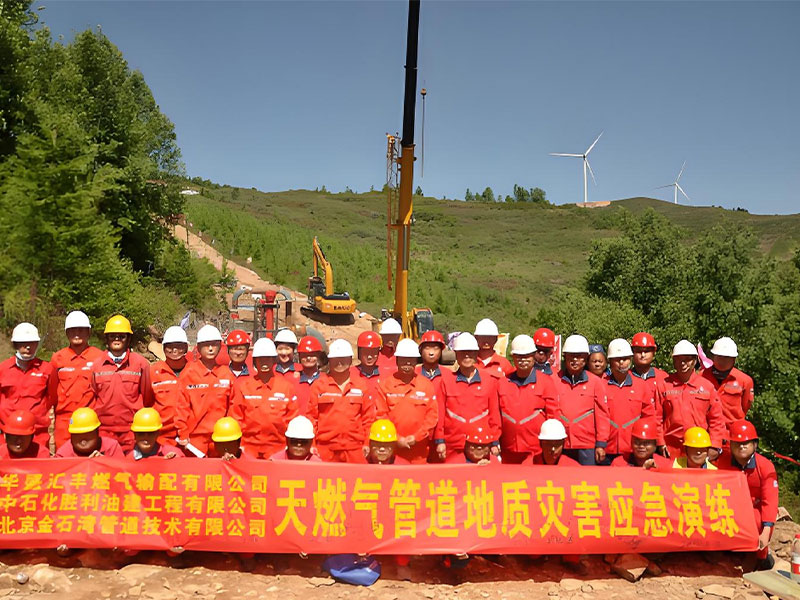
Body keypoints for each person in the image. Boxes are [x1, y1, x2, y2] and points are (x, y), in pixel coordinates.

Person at [718, 420, 778, 570]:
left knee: (756, 520)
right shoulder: (721, 463)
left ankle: (761, 558)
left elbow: (770, 501)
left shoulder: (765, 466)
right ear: (730, 445)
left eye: (746, 442)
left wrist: (766, 531)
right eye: (737, 443)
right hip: (729, 510)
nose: (742, 446)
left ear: (755, 445)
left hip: (754, 512)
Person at [90, 315, 153, 453]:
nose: (117, 339)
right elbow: (93, 395)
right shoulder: (96, 365)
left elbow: (147, 397)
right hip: (104, 431)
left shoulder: (140, 364)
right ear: (106, 338)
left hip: (133, 431)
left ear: (128, 338)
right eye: (112, 336)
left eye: (121, 336)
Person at [229, 337, 300, 459]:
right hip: (248, 449)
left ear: (274, 360)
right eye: (260, 359)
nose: (264, 362)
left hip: (278, 450)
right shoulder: (244, 387)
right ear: (255, 361)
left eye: (268, 358)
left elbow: (292, 420)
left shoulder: (286, 387)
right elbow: (236, 419)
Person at [308, 339, 375, 463]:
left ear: (350, 360)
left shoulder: (361, 386)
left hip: (355, 449)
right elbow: (312, 419)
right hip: (325, 449)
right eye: (335, 358)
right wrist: (312, 445)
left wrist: (367, 443)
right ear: (329, 360)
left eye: (343, 358)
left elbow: (368, 419)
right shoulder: (318, 386)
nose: (339, 362)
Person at [435, 333, 501, 460]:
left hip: (480, 446)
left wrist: (494, 441)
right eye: (462, 352)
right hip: (453, 446)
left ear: (476, 354)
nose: (466, 356)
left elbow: (494, 416)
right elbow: (440, 414)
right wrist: (439, 440)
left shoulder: (489, 381)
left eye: (470, 352)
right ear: (456, 354)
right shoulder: (446, 381)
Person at [657, 340, 726, 460]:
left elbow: (716, 420)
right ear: (673, 361)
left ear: (695, 361)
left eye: (687, 359)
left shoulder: (707, 387)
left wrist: (715, 445)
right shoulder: (663, 386)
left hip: (698, 450)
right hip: (670, 451)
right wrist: (660, 443)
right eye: (678, 359)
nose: (683, 363)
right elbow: (656, 418)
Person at [498, 334, 559, 464]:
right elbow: (496, 415)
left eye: (526, 356)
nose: (523, 360)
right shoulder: (502, 383)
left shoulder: (546, 382)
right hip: (507, 450)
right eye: (518, 356)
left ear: (533, 356)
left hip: (536, 451)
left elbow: (553, 416)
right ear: (513, 357)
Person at [375, 339, 438, 464]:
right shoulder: (385, 385)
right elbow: (381, 415)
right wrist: (397, 439)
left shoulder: (426, 385)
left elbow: (432, 416)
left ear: (416, 361)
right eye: (403, 359)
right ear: (397, 360)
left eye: (411, 359)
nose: (407, 363)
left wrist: (416, 437)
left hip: (419, 451)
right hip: (392, 450)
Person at [175, 325, 234, 456]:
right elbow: (181, 407)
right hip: (195, 440)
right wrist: (183, 433)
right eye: (206, 345)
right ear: (198, 347)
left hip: (221, 438)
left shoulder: (226, 374)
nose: (211, 348)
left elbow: (233, 407)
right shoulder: (188, 373)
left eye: (214, 344)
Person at [49, 311, 105, 448]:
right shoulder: (57, 358)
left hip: (91, 420)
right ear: (67, 333)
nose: (77, 333)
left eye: (81, 330)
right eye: (73, 330)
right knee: (64, 463)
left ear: (88, 332)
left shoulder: (99, 357)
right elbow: (51, 392)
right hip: (64, 421)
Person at [553, 334, 610, 465]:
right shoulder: (554, 380)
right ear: (564, 357)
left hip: (587, 445)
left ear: (585, 358)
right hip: (560, 443)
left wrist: (601, 443)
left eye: (579, 356)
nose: (575, 360)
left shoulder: (595, 382)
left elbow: (602, 415)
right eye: (571, 356)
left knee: (588, 482)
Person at [0, 322, 53, 450]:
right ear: (15, 345)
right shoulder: (3, 369)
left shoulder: (47, 369)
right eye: (23, 343)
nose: (28, 347)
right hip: (8, 435)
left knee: (39, 469)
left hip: (38, 435)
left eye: (32, 343)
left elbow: (52, 399)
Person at [603, 339, 656, 464]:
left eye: (625, 358)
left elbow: (649, 417)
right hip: (607, 449)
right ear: (610, 361)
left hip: (634, 450)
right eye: (617, 359)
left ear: (631, 360)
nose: (622, 362)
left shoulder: (641, 386)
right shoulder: (601, 385)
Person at [150, 326, 189, 446]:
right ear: (163, 348)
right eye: (170, 346)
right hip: (162, 438)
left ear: (186, 347)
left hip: (190, 438)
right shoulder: (153, 372)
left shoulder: (195, 371)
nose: (174, 350)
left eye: (179, 345)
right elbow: (147, 402)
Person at [701, 337, 754, 425]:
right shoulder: (700, 377)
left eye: (727, 357)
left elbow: (745, 407)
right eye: (720, 357)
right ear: (713, 356)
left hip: (733, 433)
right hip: (706, 432)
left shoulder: (745, 381)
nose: (723, 361)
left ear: (734, 359)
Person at [55, 407, 125, 458]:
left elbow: (123, 471)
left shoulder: (112, 447)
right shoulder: (63, 455)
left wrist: (105, 463)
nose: (83, 440)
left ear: (97, 432)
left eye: (87, 433)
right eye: (78, 434)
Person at [630, 332, 668, 399]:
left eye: (647, 351)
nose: (643, 355)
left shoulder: (663, 378)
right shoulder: (626, 378)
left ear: (653, 353)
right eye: (639, 351)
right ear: (632, 353)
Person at [294, 335, 323, 414]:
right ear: (299, 356)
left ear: (318, 356)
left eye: (312, 355)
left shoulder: (326, 380)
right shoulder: (293, 381)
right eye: (304, 355)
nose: (308, 358)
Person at [351, 331, 384, 397]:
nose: (369, 357)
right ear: (359, 353)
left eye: (373, 352)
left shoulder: (384, 376)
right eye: (365, 352)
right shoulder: (350, 374)